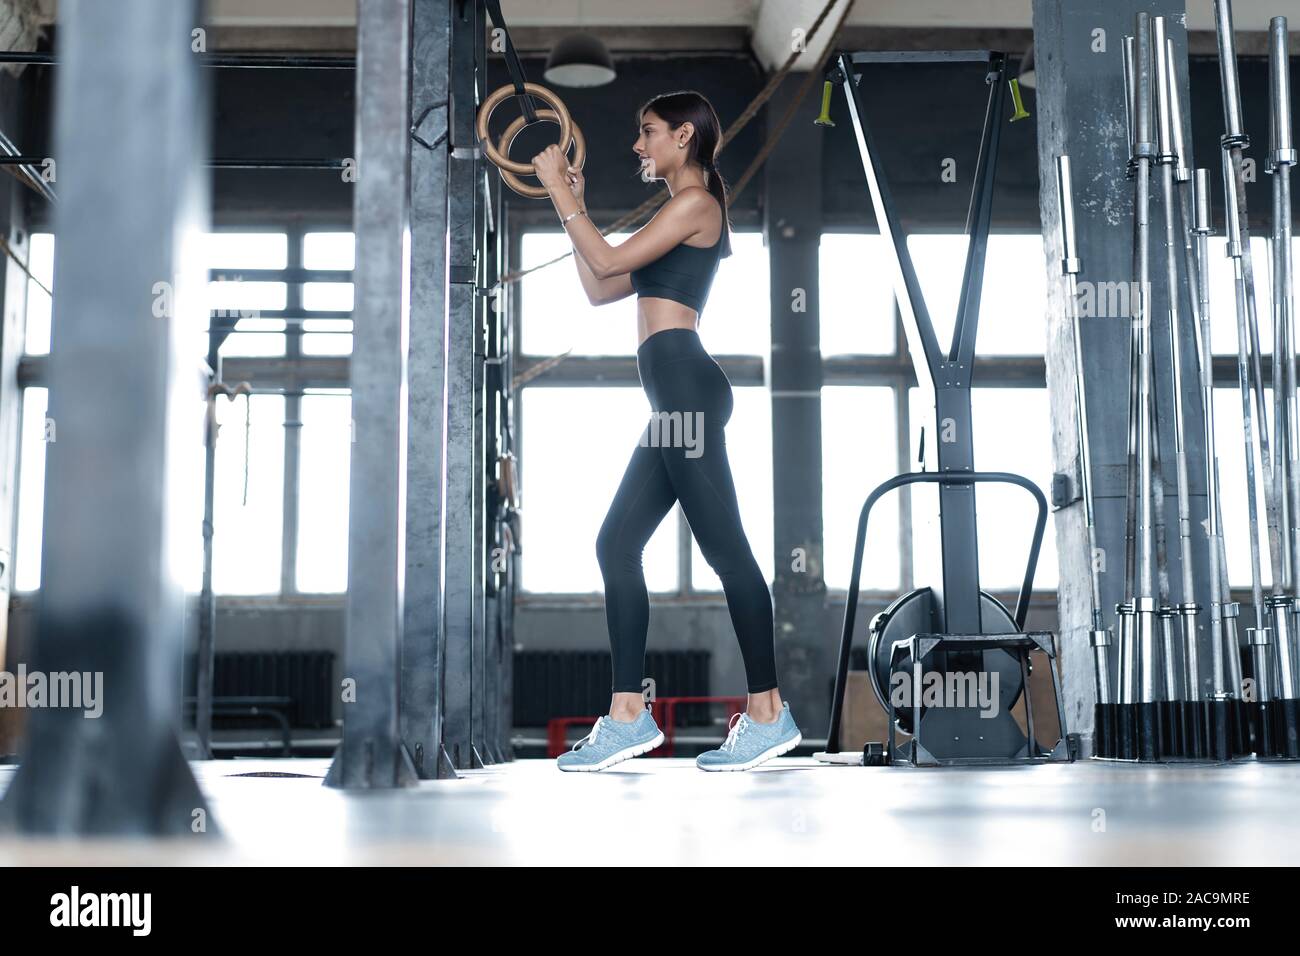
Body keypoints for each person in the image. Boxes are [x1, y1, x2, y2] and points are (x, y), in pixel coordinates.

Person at [530, 90, 801, 772]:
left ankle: (768, 712)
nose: (638, 145)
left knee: (726, 551)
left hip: (685, 389)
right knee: (616, 542)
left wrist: (563, 193)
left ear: (684, 136)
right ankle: (628, 716)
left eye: (647, 132)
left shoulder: (696, 204)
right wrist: (572, 205)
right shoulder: (673, 213)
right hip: (673, 398)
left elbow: (612, 262)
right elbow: (600, 286)